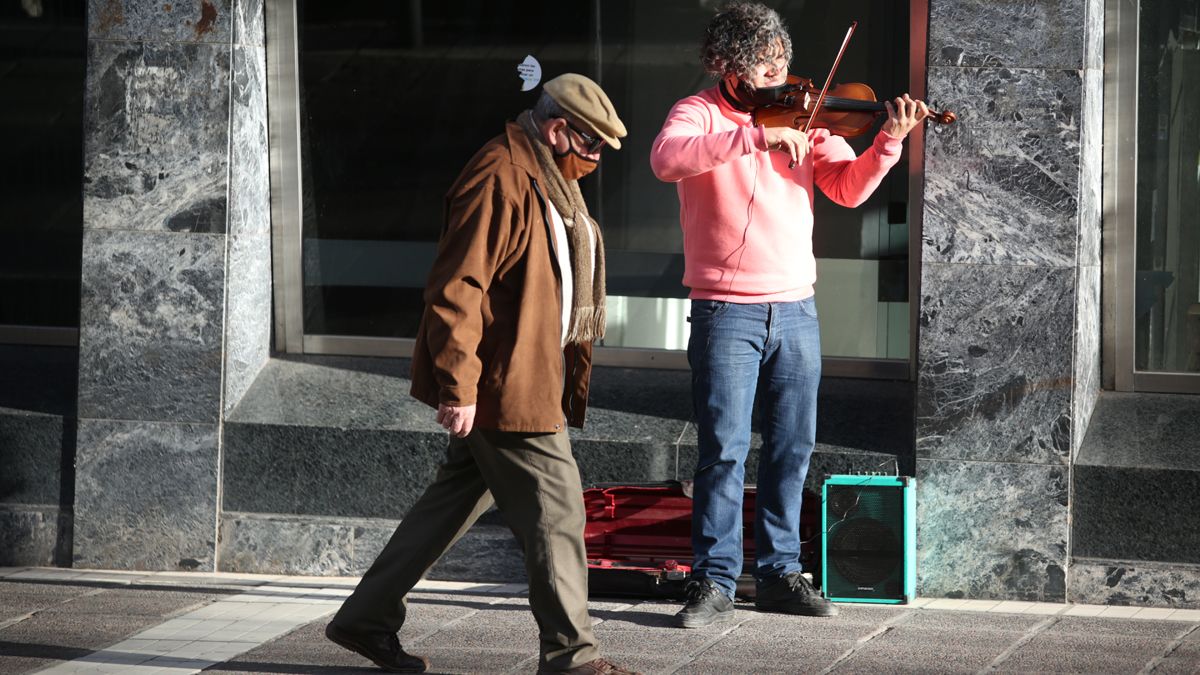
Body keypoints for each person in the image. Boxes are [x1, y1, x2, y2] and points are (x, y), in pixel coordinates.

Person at [325, 73, 639, 675]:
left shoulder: (542, 175)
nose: (597, 160)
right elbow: (456, 288)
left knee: (447, 505)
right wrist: (458, 386)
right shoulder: (499, 175)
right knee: (559, 512)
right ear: (556, 130)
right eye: (592, 146)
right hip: (504, 384)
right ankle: (572, 659)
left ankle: (365, 618)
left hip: (523, 372)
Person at [649, 1, 930, 629]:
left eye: (783, 61)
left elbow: (849, 189)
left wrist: (888, 140)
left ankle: (778, 573)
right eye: (769, 65)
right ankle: (714, 579)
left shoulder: (807, 119)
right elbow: (667, 160)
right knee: (722, 449)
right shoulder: (697, 113)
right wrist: (755, 135)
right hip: (725, 310)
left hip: (797, 307)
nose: (784, 76)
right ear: (733, 69)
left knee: (793, 446)